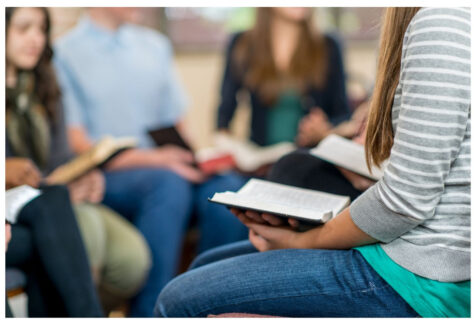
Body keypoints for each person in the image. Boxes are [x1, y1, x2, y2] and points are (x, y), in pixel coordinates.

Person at [156, 7, 471, 317]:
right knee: (203, 263)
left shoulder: (439, 20)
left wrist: (300, 241)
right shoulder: (430, 23)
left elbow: (404, 201)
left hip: (420, 274)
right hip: (406, 248)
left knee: (177, 299)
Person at [53, 7, 248, 317]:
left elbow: (177, 122)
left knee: (228, 190)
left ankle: (209, 304)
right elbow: (78, 143)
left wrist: (198, 160)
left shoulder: (155, 46)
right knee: (167, 185)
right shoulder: (64, 54)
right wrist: (159, 161)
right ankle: (152, 313)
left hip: (167, 164)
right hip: (112, 173)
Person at [5, 7, 151, 315]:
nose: (36, 38)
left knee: (132, 257)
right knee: (59, 230)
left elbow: (59, 159)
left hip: (48, 198)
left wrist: (85, 172)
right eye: (24, 29)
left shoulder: (41, 85)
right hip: (30, 204)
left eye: (42, 29)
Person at [217, 7, 356, 148]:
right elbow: (225, 111)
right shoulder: (242, 43)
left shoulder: (329, 45)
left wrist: (325, 131)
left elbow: (343, 115)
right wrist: (224, 142)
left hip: (308, 157)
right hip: (259, 157)